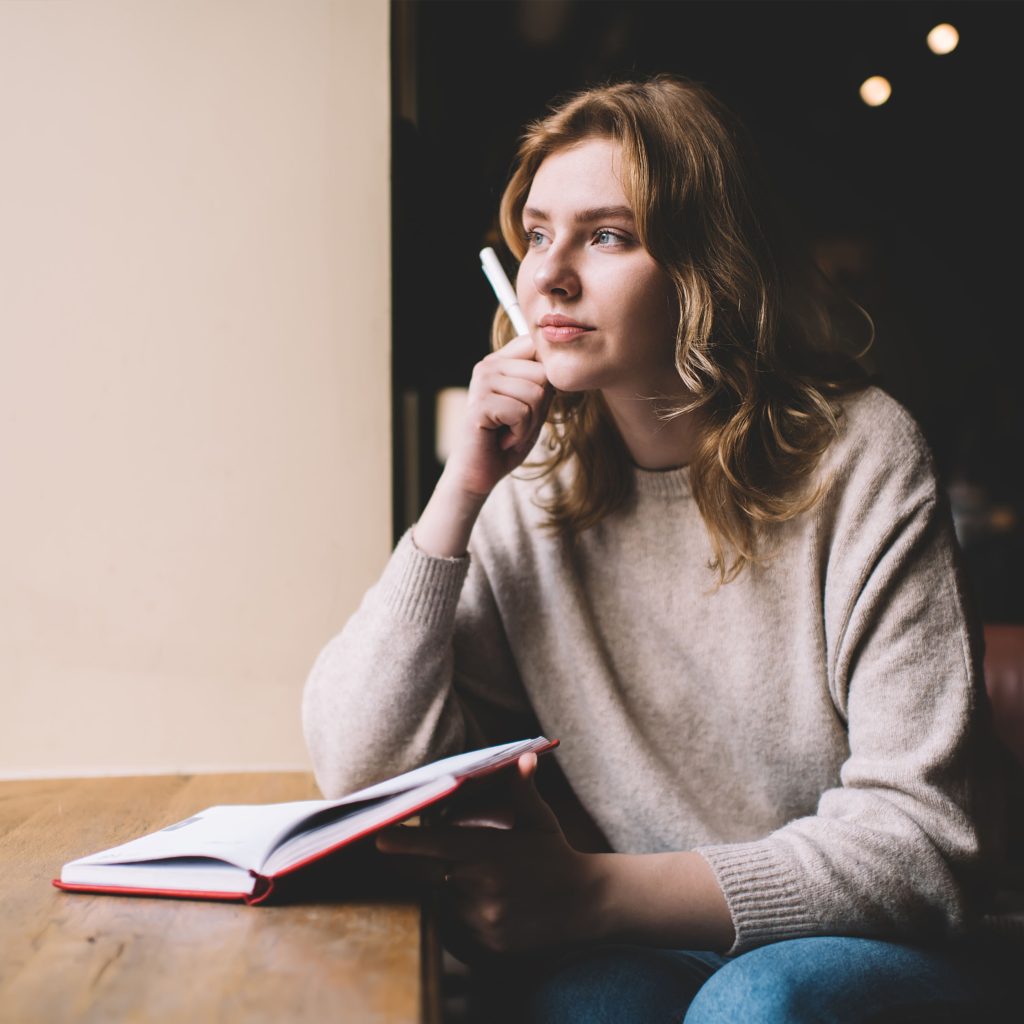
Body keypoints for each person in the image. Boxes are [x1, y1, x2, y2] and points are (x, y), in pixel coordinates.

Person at [303, 76, 1019, 1021]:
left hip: (878, 947)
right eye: (536, 232)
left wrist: (591, 895)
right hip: (658, 944)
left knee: (757, 1000)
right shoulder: (532, 483)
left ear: (703, 267)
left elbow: (925, 843)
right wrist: (460, 490)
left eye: (607, 235)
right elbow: (360, 767)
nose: (551, 273)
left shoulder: (862, 455)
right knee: (590, 1003)